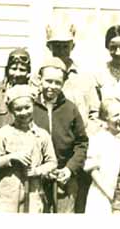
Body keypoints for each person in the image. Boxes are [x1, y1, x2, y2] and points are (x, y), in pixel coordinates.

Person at [42, 22, 99, 213]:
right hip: (42, 164)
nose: (60, 50)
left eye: (65, 45)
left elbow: (95, 114)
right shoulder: (38, 78)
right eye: (56, 45)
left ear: (72, 46)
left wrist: (78, 156)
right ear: (49, 47)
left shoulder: (85, 78)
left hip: (74, 160)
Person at [33, 57, 89, 213]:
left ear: (63, 83)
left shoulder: (70, 109)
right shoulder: (30, 108)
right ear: (40, 80)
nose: (52, 86)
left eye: (57, 82)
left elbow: (81, 143)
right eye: (48, 81)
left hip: (64, 178)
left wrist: (69, 169)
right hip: (36, 178)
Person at [0, 85, 57, 213]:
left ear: (33, 106)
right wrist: (11, 157)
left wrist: (38, 171)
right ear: (11, 111)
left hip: (33, 193)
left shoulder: (42, 135)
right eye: (18, 109)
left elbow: (52, 162)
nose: (24, 112)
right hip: (8, 195)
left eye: (27, 107)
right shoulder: (4, 133)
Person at [0, 48, 34, 211]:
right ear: (7, 69)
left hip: (28, 157)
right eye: (13, 68)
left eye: (22, 69)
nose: (17, 73)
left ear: (28, 72)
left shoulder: (34, 92)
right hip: (3, 158)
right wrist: (0, 149)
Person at [83, 98, 120, 214]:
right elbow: (93, 171)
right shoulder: (98, 139)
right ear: (105, 119)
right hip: (102, 194)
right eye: (116, 115)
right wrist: (111, 195)